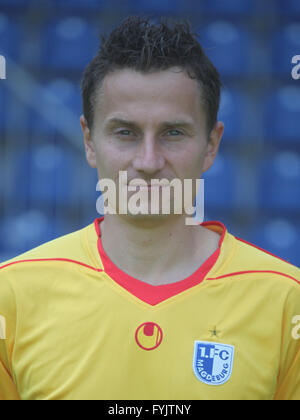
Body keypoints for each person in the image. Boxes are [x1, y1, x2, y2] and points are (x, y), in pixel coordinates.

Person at [0, 16, 299, 401]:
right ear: (89, 142)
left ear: (211, 145)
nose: (148, 160)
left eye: (173, 133)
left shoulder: (284, 301)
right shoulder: (13, 295)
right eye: (125, 132)